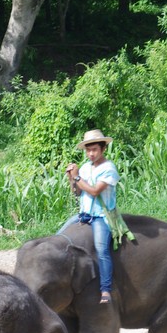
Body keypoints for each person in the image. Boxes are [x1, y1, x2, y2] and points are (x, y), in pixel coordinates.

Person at [60, 129, 121, 305]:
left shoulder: (109, 168)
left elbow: (94, 191)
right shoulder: (86, 167)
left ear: (103, 149)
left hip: (101, 216)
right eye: (88, 150)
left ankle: (106, 289)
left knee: (101, 249)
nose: (91, 154)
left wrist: (77, 176)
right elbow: (78, 192)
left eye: (94, 150)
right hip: (84, 214)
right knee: (59, 236)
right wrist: (72, 179)